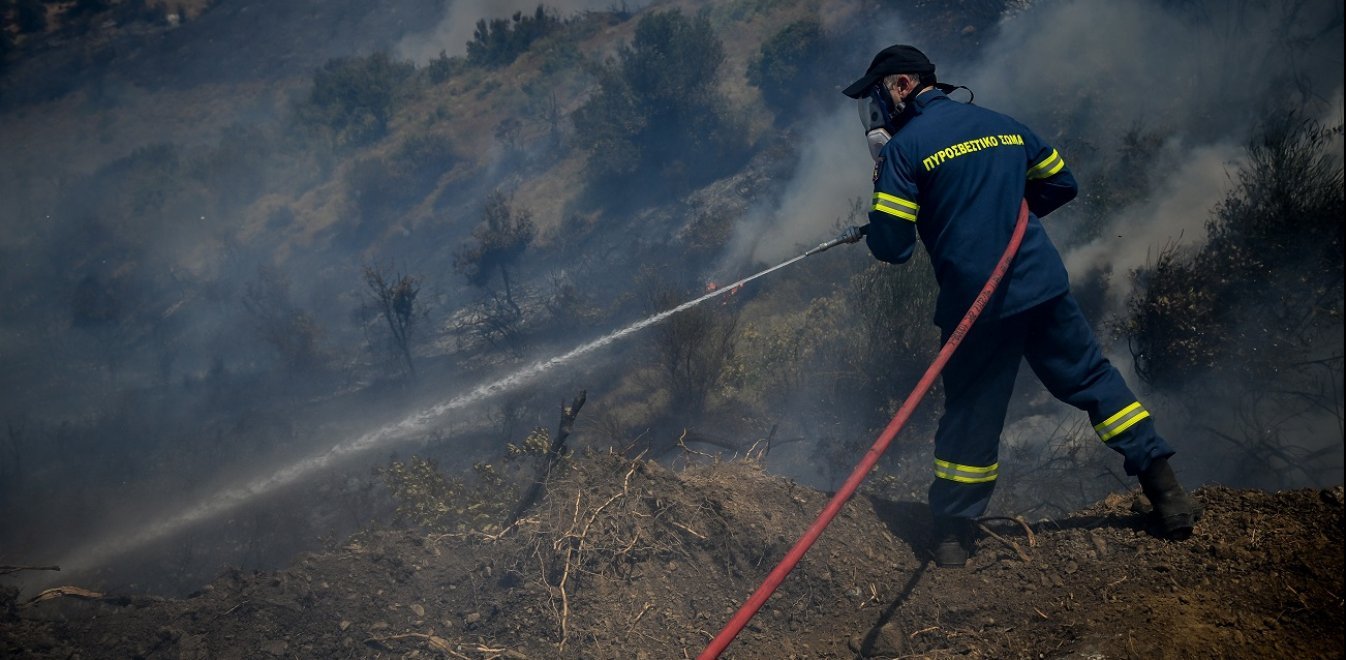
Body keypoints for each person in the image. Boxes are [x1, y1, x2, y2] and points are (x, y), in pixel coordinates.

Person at [839, 45, 1201, 567]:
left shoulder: (904, 149)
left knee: (972, 415)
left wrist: (886, 214)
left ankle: (951, 538)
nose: (874, 112)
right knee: (1094, 381)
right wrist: (1002, 210)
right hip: (1042, 287)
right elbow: (1061, 183)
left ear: (901, 86)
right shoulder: (1003, 125)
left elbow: (893, 248)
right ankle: (1167, 494)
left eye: (875, 97)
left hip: (976, 307)